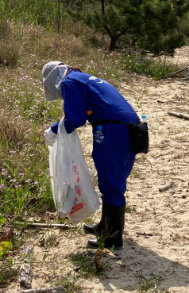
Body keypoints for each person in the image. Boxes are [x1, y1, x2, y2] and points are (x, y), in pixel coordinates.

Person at [42, 61, 139, 249]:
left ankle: (113, 238)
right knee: (112, 179)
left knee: (110, 181)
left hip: (112, 129)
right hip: (130, 128)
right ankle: (105, 226)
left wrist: (54, 130)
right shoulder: (83, 78)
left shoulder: (69, 82)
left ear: (52, 79)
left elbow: (76, 118)